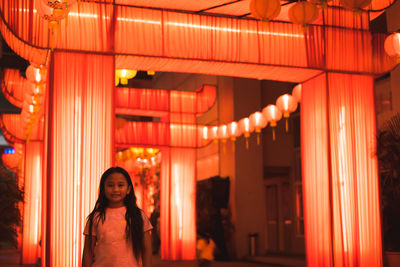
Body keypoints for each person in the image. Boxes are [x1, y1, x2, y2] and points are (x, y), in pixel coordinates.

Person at [82, 167, 153, 267]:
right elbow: (88, 251)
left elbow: (146, 248)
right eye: (110, 185)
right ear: (103, 189)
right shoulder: (96, 217)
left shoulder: (138, 216)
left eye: (120, 185)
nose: (115, 189)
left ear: (128, 189)